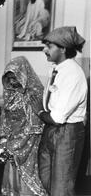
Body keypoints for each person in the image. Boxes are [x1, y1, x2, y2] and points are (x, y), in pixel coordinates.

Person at [30, 26, 87, 196]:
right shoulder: (56, 69)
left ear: (63, 49)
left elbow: (57, 117)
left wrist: (39, 112)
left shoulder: (73, 74)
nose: (44, 50)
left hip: (67, 133)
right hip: (51, 130)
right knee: (45, 181)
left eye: (49, 46)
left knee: (61, 188)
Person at [0, 56, 47, 196]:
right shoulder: (9, 93)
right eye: (9, 78)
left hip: (29, 142)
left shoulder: (35, 92)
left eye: (15, 77)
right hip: (12, 140)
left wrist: (18, 144)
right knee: (11, 167)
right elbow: (5, 116)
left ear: (23, 74)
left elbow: (36, 124)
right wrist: (3, 138)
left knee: (27, 174)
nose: (12, 82)